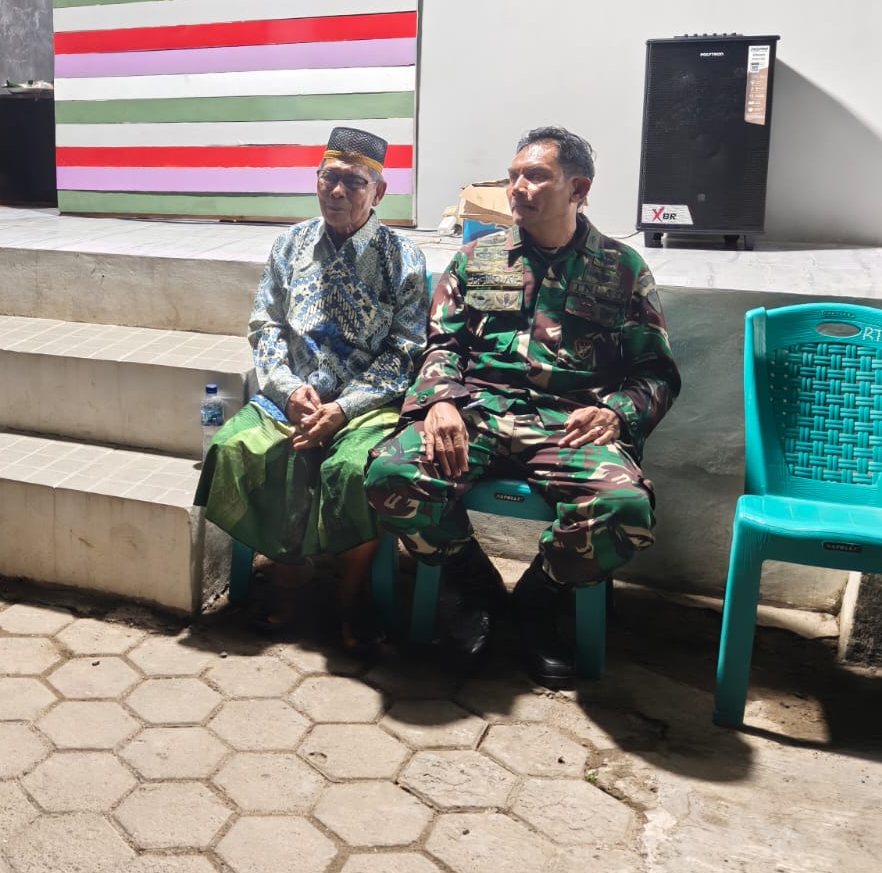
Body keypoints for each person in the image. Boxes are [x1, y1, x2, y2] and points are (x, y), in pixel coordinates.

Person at [366, 126, 680, 687]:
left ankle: (538, 599)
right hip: (477, 412)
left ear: (578, 189)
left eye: (535, 176)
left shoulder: (622, 268)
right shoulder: (476, 258)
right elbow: (441, 346)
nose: (517, 187)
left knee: (624, 509)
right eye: (513, 176)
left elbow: (655, 372)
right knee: (391, 476)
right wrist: (439, 402)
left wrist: (616, 412)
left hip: (568, 422)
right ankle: (477, 588)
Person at [195, 127, 429, 651]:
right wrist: (287, 388)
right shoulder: (291, 244)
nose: (338, 191)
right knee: (235, 448)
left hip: (366, 403)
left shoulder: (403, 259)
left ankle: (351, 594)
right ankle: (287, 576)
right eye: (329, 178)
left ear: (379, 192)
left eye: (354, 181)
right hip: (293, 396)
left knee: (354, 469)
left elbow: (406, 349)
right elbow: (266, 326)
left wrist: (343, 408)